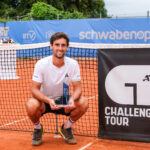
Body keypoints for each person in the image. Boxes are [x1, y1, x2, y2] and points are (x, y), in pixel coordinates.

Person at [26, 32, 88, 146]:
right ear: (51, 46)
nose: (60, 48)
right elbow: (34, 89)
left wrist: (71, 100)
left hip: (63, 101)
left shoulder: (73, 64)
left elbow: (78, 88)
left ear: (67, 47)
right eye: (57, 44)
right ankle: (38, 128)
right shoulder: (41, 64)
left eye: (63, 45)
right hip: (45, 102)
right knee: (31, 104)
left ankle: (66, 128)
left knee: (83, 102)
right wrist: (49, 101)